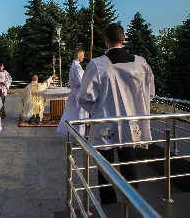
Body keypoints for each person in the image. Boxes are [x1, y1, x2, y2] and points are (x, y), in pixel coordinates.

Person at [78, 23, 155, 205]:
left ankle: (109, 208)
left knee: (105, 171)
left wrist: (97, 111)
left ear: (106, 40)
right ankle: (133, 203)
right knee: (130, 166)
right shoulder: (141, 63)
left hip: (106, 124)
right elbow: (150, 91)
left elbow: (85, 97)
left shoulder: (98, 65)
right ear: (124, 38)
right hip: (132, 123)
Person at [57, 48, 89, 136]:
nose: (84, 57)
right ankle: (80, 135)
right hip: (79, 92)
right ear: (79, 56)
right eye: (83, 55)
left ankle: (80, 134)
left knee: (76, 112)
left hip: (77, 91)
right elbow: (80, 81)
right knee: (80, 114)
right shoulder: (76, 67)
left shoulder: (75, 65)